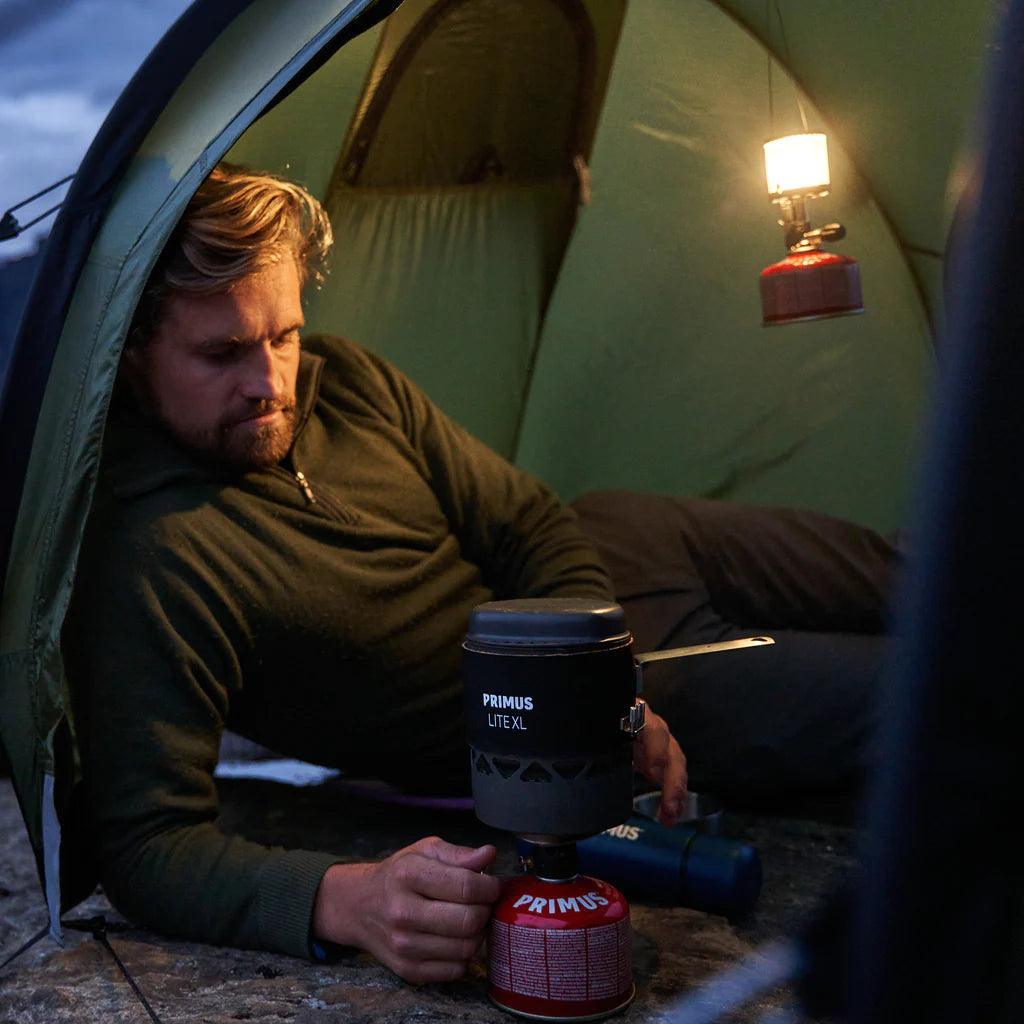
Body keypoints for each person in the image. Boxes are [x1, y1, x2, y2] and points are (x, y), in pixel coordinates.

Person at [64, 163, 897, 984]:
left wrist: (604, 671)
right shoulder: (159, 556)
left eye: (283, 334)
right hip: (582, 720)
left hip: (614, 563)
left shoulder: (346, 380)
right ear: (132, 355)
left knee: (922, 573)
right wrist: (348, 900)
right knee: (929, 683)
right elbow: (147, 847)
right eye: (223, 353)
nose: (269, 383)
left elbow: (527, 519)